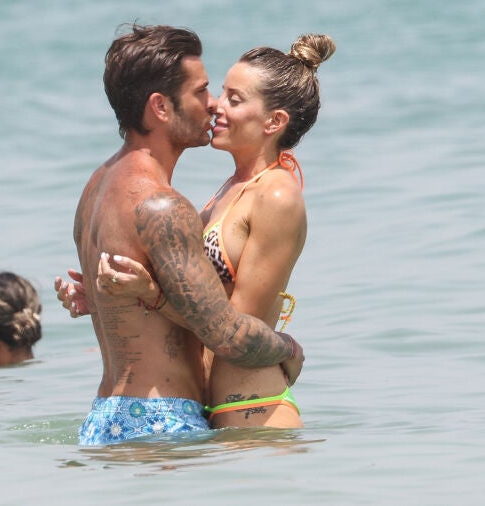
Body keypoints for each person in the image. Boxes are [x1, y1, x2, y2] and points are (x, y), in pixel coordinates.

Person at [60, 33, 334, 430]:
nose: (215, 105)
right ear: (160, 106)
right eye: (212, 92)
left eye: (233, 99)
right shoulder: (221, 192)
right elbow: (211, 317)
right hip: (187, 409)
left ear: (274, 122)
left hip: (251, 406)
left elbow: (229, 328)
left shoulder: (275, 194)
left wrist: (150, 295)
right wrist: (111, 300)